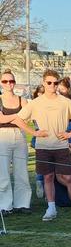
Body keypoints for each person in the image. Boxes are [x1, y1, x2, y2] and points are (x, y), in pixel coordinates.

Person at [13, 69, 71, 221]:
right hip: (43, 148)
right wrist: (34, 133)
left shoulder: (65, 101)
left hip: (61, 147)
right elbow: (18, 119)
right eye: (49, 83)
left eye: (55, 83)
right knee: (47, 177)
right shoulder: (35, 103)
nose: (52, 86)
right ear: (44, 83)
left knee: (68, 178)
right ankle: (51, 208)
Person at [0, 69, 30, 215]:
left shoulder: (22, 100)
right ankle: (5, 205)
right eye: (5, 81)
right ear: (1, 83)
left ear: (14, 83)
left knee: (21, 171)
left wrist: (12, 118)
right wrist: (17, 117)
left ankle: (22, 203)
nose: (8, 84)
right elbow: (1, 119)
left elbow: (27, 118)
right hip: (2, 136)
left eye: (11, 81)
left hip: (19, 135)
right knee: (3, 172)